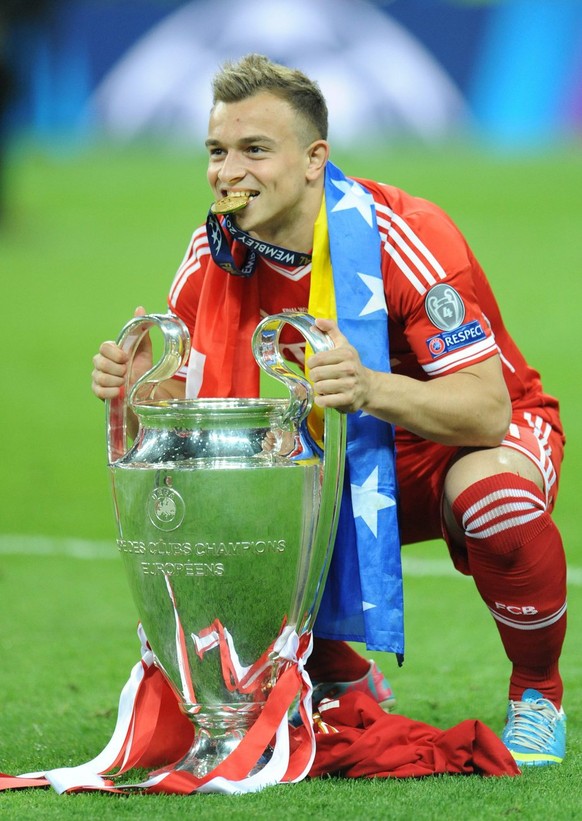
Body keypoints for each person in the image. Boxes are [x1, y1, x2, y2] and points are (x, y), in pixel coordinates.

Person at [91, 54, 567, 768]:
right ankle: (335, 669)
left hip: (457, 442)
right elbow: (203, 425)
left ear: (316, 159)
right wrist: (146, 393)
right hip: (331, 452)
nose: (229, 171)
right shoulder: (209, 254)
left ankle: (538, 693)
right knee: (223, 495)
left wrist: (370, 387)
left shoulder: (403, 234)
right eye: (217, 151)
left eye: (256, 149)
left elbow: (487, 410)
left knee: (494, 497)